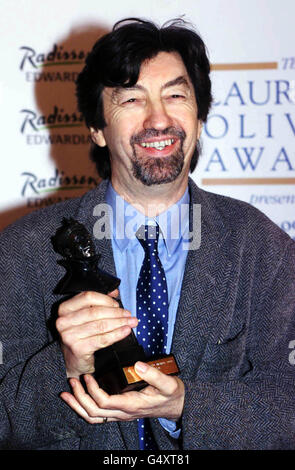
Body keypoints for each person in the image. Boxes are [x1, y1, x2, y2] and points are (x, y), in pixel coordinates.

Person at [0, 18, 294, 451]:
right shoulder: (23, 251)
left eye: (176, 95)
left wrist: (185, 406)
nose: (159, 118)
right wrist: (63, 367)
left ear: (199, 115)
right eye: (132, 99)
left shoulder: (265, 250)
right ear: (97, 128)